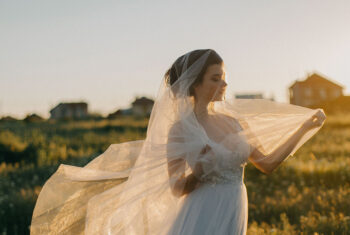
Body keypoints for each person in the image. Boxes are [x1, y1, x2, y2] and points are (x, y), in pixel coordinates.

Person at [30, 49, 326, 235]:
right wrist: (198, 172)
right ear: (195, 83)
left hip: (235, 204)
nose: (224, 84)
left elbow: (269, 164)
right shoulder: (180, 130)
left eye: (224, 77)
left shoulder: (235, 122)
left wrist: (304, 128)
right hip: (202, 210)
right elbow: (175, 188)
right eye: (215, 78)